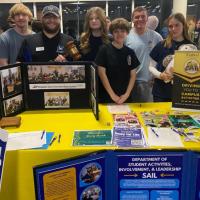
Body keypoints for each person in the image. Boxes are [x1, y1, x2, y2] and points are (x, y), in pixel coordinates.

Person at [149, 13, 193, 102]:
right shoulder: (161, 45)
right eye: (170, 26)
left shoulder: (192, 47)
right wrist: (160, 75)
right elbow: (150, 66)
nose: (173, 29)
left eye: (177, 25)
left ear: (183, 25)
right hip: (161, 93)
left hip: (183, 94)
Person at [95, 18, 140, 104]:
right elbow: (101, 73)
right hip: (107, 95)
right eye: (116, 31)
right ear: (112, 33)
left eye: (122, 31)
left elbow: (133, 75)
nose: (119, 34)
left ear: (127, 33)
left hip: (125, 96)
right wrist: (112, 95)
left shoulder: (130, 52)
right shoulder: (104, 50)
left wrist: (127, 94)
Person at [125, 6, 162, 103]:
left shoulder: (156, 37)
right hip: (130, 82)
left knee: (147, 113)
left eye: (143, 16)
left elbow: (163, 58)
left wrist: (158, 75)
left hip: (149, 83)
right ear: (132, 19)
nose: (140, 19)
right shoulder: (126, 36)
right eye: (137, 17)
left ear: (147, 18)